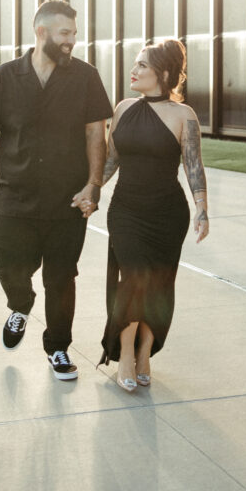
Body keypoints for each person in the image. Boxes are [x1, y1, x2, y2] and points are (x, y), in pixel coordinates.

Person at [0, 0, 112, 380]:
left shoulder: (86, 77)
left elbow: (96, 133)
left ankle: (58, 348)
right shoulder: (6, 76)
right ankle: (20, 303)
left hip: (68, 200)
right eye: (65, 34)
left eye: (75, 35)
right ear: (42, 32)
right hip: (15, 195)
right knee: (8, 263)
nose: (72, 42)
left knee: (62, 278)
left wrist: (93, 184)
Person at [99, 39, 209, 391]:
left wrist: (202, 209)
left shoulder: (183, 115)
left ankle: (145, 351)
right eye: (135, 64)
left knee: (158, 287)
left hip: (167, 215)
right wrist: (90, 191)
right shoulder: (123, 108)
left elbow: (194, 166)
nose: (134, 70)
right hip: (126, 212)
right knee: (132, 279)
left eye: (142, 65)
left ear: (162, 72)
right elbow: (110, 160)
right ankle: (126, 353)